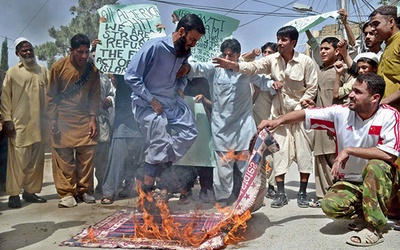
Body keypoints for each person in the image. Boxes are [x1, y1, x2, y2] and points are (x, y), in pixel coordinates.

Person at [259, 72, 399, 246]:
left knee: (376, 166)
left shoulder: (389, 115)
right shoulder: (341, 112)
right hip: (351, 181)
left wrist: (349, 150)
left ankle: (374, 228)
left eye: (357, 91)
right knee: (330, 205)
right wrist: (277, 121)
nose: (351, 94)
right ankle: (365, 212)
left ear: (374, 98)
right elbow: (305, 114)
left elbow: (390, 154)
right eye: (352, 90)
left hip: (382, 180)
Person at [213, 26, 318, 209]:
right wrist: (234, 65)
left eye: (284, 40)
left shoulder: (306, 62)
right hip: (279, 115)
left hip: (300, 112)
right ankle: (280, 193)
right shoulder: (271, 60)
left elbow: (312, 87)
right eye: (278, 38)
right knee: (279, 153)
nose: (279, 43)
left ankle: (302, 193)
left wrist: (305, 103)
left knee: (303, 154)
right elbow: (253, 67)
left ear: (293, 42)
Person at [124, 14, 205, 203]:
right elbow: (131, 76)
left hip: (172, 101)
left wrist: (180, 87)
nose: (193, 44)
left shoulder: (185, 51)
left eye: (196, 41)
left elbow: (184, 73)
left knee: (190, 132)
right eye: (192, 39)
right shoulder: (154, 46)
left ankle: (155, 166)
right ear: (182, 31)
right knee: (160, 139)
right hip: (148, 103)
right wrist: (152, 101)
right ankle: (148, 190)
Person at [187, 38, 276, 207]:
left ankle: (250, 197)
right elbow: (198, 68)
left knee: (246, 163)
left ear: (238, 55)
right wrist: (185, 65)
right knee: (223, 164)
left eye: (231, 55)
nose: (227, 59)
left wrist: (274, 84)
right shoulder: (216, 67)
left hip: (244, 125)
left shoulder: (245, 69)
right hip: (221, 126)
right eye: (225, 55)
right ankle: (222, 198)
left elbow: (262, 82)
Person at [46, 33, 100, 208]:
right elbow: (51, 95)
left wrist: (93, 119)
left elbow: (95, 95)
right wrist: (53, 119)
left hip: (84, 118)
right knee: (64, 157)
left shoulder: (92, 70)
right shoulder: (58, 67)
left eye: (87, 52)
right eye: (80, 52)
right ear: (71, 50)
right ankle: (67, 193)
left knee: (86, 156)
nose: (84, 56)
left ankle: (84, 191)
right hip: (63, 118)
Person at [0, 38, 49, 208]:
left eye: (30, 50)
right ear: (17, 54)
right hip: (19, 125)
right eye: (24, 51)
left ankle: (30, 192)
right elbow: (5, 98)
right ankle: (14, 195)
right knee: (17, 162)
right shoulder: (12, 73)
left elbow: (50, 95)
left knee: (36, 162)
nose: (28, 53)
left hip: (40, 124)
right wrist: (6, 119)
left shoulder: (43, 71)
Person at [307, 37, 354, 208]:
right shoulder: (318, 71)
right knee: (320, 157)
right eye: (321, 49)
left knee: (335, 158)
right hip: (319, 120)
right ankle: (323, 196)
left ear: (336, 51)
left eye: (327, 48)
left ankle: (340, 194)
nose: (323, 52)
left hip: (337, 122)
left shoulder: (343, 70)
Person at [101, 74, 144, 205]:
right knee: (117, 157)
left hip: (142, 119)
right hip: (123, 121)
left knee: (139, 158)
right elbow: (114, 81)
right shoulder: (121, 72)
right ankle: (109, 191)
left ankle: (134, 187)